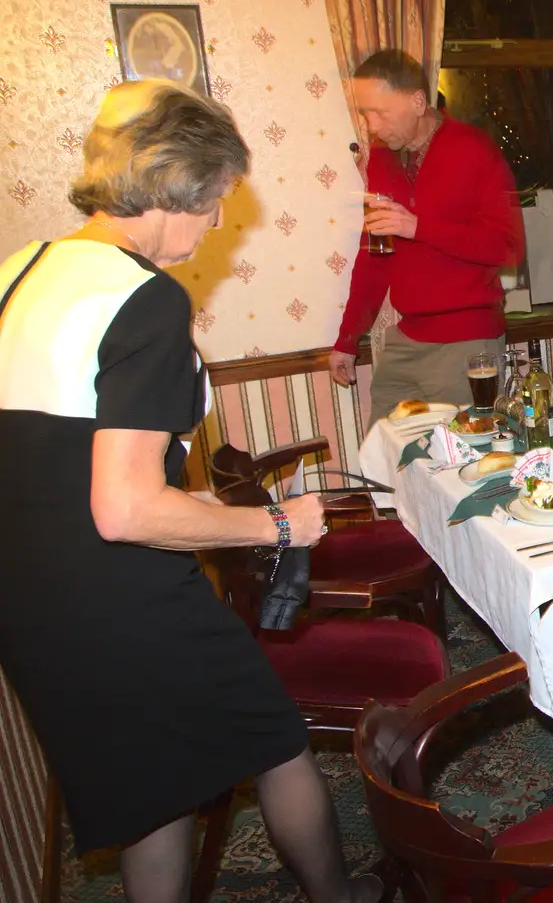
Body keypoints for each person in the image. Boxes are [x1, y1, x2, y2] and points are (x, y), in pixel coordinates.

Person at [0, 80, 379, 903]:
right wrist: (277, 522)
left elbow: (63, 468)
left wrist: (209, 509)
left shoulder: (23, 268)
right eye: (214, 204)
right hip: (122, 597)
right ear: (177, 187)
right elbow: (125, 508)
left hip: (35, 601)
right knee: (277, 742)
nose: (216, 226)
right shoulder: (145, 300)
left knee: (154, 787)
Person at [329, 49, 523, 429]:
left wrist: (418, 227)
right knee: (380, 456)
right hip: (407, 337)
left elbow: (508, 247)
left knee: (460, 465)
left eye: (379, 112)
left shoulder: (475, 150)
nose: (371, 126)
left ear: (418, 101)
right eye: (365, 113)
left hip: (468, 342)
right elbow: (374, 257)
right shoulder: (383, 160)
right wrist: (347, 339)